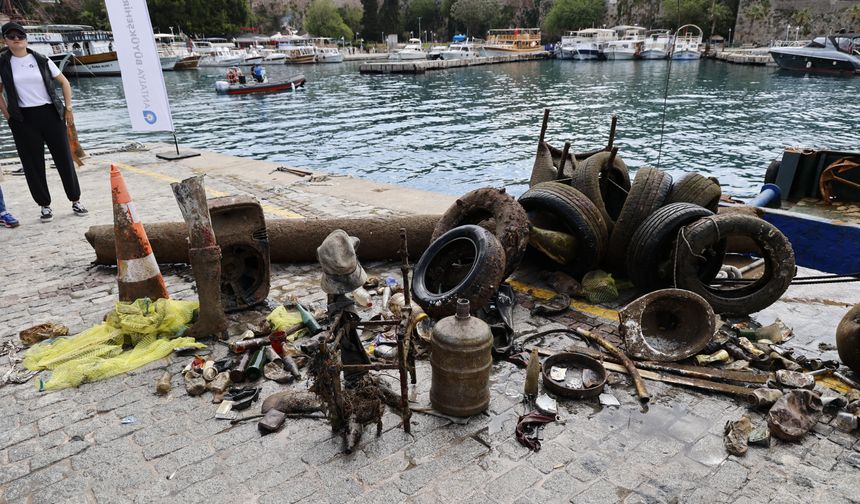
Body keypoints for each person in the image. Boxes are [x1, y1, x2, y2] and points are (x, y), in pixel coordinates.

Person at [0, 22, 87, 223]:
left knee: (64, 158)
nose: (16, 39)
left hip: (50, 114)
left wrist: (68, 108)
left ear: (25, 37)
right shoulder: (3, 63)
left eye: (19, 35)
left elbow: (64, 82)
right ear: (5, 40)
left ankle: (75, 199)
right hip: (23, 119)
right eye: (11, 36)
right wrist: (7, 115)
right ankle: (44, 205)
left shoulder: (41, 59)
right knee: (32, 164)